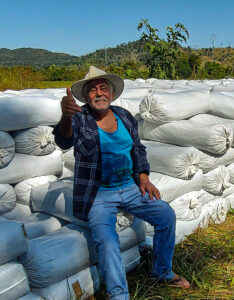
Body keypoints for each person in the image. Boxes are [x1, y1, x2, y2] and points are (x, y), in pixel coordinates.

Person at [53, 66, 190, 300]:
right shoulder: (79, 119)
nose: (99, 93)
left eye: (103, 88)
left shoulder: (124, 116)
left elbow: (137, 148)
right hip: (98, 193)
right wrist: (66, 116)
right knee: (106, 240)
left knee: (166, 214)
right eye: (93, 90)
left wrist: (144, 177)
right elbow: (64, 141)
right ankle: (119, 295)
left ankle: (162, 272)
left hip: (129, 186)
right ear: (86, 97)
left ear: (111, 93)